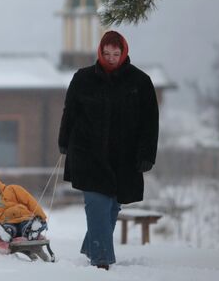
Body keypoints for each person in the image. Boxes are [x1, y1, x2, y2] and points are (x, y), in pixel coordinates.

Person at [58, 30, 159, 270]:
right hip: (87, 152)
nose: (111, 58)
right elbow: (69, 111)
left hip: (124, 157)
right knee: (97, 203)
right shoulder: (83, 78)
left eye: (116, 53)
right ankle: (100, 260)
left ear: (124, 52)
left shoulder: (140, 82)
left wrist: (147, 155)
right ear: (99, 53)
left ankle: (91, 246)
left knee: (113, 205)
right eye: (106, 53)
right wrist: (64, 140)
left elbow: (150, 121)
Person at [0, 171, 48, 252]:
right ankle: (5, 234)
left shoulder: (12, 190)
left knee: (27, 226)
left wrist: (41, 217)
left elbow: (30, 201)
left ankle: (33, 230)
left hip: (24, 218)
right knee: (8, 229)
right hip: (6, 224)